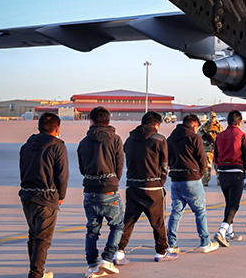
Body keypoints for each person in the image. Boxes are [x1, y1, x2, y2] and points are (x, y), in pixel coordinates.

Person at [115, 112, 178, 264]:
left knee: (128, 221)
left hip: (133, 185)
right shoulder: (159, 139)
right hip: (153, 187)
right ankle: (161, 251)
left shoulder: (129, 139)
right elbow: (164, 164)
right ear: (156, 125)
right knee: (158, 222)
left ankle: (119, 251)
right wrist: (161, 181)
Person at [19, 113, 69, 278]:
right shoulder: (57, 146)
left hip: (27, 196)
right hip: (46, 197)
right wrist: (61, 195)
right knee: (43, 239)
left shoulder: (26, 145)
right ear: (57, 128)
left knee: (33, 235)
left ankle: (37, 271)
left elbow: (23, 170)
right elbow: (62, 174)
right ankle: (36, 273)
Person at [77, 107, 124, 277]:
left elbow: (82, 168)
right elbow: (119, 165)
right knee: (117, 226)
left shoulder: (83, 142)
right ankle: (107, 259)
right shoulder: (116, 140)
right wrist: (113, 181)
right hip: (109, 189)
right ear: (108, 121)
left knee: (92, 230)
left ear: (92, 121)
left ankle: (91, 265)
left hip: (90, 189)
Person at [166, 114, 219, 254]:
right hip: (192, 179)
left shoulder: (170, 139)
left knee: (176, 213)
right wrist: (199, 175)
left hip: (176, 179)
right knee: (200, 212)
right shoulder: (195, 138)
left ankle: (171, 244)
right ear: (194, 125)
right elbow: (202, 159)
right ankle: (205, 243)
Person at [213, 110, 246, 247]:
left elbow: (215, 156)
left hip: (222, 171)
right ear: (240, 122)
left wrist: (218, 169)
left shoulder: (219, 136)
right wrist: (243, 171)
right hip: (236, 170)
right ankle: (222, 231)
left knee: (228, 201)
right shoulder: (241, 135)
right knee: (234, 204)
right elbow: (245, 156)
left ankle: (230, 232)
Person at [198, 112, 223, 186]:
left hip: (217, 149)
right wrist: (205, 140)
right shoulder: (204, 127)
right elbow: (199, 136)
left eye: (214, 117)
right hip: (207, 149)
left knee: (218, 166)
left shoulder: (219, 126)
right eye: (211, 117)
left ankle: (219, 181)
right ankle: (205, 181)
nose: (213, 119)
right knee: (207, 167)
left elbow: (222, 135)